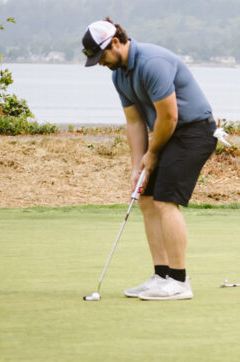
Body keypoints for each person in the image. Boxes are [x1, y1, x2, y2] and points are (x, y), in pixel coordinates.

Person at [81, 18, 218, 300]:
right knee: (145, 198)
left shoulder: (152, 62)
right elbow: (134, 122)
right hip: (166, 133)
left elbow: (169, 116)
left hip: (194, 132)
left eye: (102, 55)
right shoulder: (119, 75)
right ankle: (161, 276)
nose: (102, 63)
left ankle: (179, 282)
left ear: (116, 42)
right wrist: (136, 168)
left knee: (165, 200)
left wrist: (153, 154)